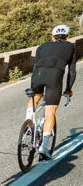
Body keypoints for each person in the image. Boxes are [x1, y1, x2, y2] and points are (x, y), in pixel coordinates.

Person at [28, 24, 77, 160]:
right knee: (50, 112)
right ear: (67, 37)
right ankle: (44, 147)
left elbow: (35, 68)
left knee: (35, 96)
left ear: (52, 37)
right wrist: (68, 89)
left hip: (37, 76)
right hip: (54, 79)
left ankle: (28, 122)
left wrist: (33, 85)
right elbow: (72, 71)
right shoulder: (71, 47)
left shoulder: (41, 47)